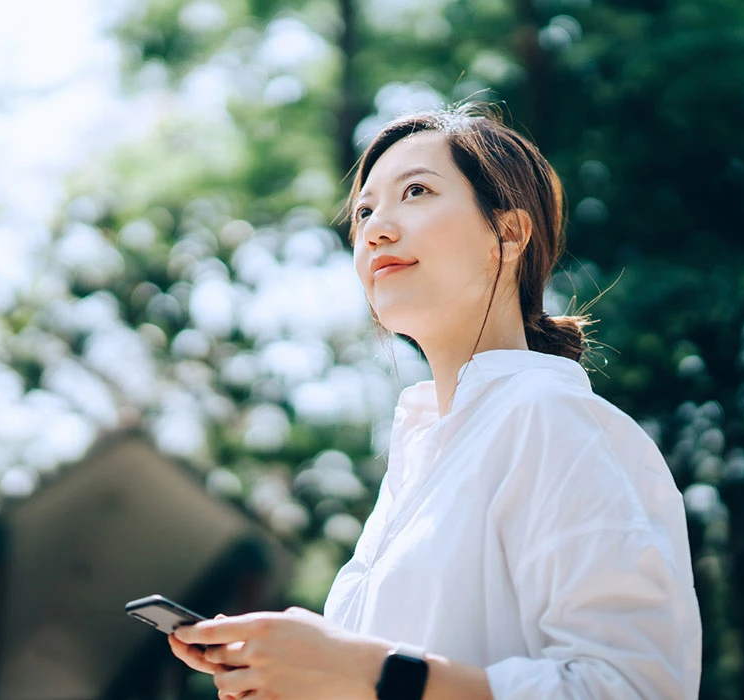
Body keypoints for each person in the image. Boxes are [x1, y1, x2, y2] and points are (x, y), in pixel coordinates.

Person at [170, 104, 702, 699]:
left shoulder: (549, 418)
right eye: (365, 211)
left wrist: (365, 670)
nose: (375, 229)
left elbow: (633, 687)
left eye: (416, 191)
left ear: (509, 232)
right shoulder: (418, 457)